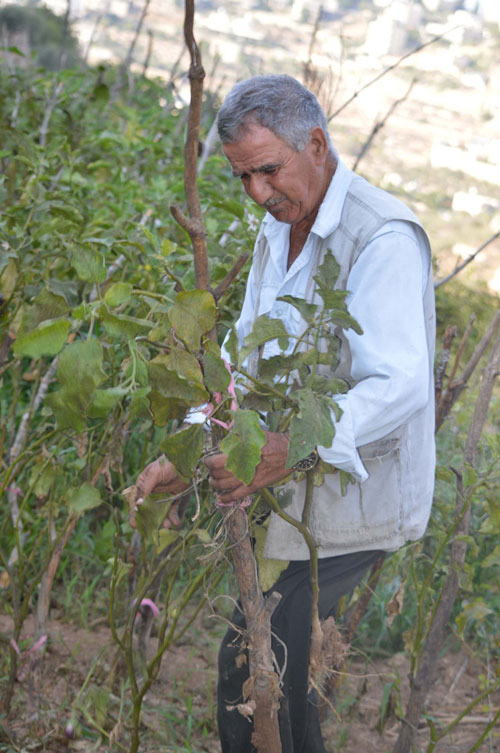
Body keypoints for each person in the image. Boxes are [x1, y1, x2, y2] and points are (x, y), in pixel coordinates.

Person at [134, 75, 436, 753]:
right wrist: (189, 452)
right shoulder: (279, 228)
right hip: (301, 494)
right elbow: (244, 359)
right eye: (243, 176)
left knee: (259, 668)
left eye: (268, 170)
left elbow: (399, 385)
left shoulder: (381, 237)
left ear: (317, 145)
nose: (257, 193)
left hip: (357, 503)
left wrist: (290, 447)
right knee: (271, 675)